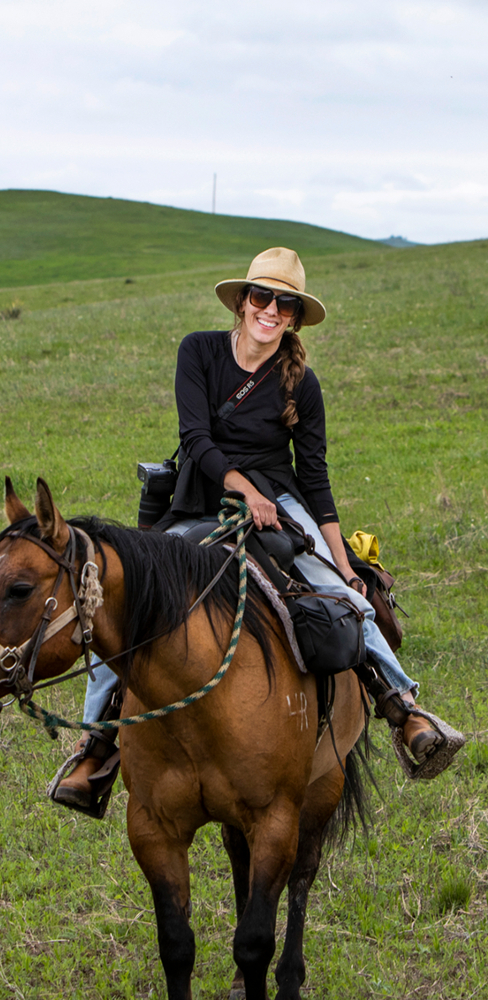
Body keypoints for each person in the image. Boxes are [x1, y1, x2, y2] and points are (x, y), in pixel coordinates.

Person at [54, 247, 455, 813]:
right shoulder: (198, 351)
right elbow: (195, 437)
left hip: (282, 501)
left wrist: (342, 563)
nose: (270, 310)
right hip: (200, 498)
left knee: (339, 596)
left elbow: (314, 479)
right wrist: (245, 490)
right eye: (261, 297)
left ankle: (402, 704)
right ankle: (96, 746)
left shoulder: (302, 385)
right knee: (130, 600)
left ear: (292, 316)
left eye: (284, 303)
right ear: (242, 302)